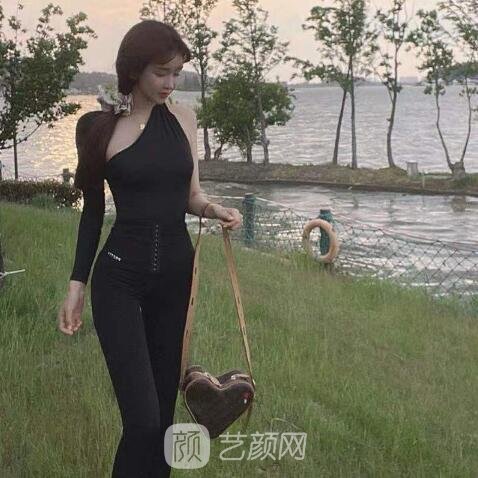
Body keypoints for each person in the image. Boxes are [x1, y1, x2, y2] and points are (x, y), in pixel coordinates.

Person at [57, 20, 242, 477]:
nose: (170, 82)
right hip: (119, 280)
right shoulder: (97, 128)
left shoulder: (184, 119)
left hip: (176, 278)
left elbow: (191, 195)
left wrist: (214, 209)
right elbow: (92, 213)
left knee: (164, 420)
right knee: (141, 421)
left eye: (176, 73)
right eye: (161, 72)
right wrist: (77, 285)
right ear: (134, 69)